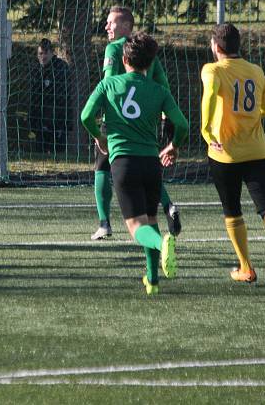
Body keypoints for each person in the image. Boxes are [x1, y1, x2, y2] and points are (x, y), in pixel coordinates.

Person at [81, 32, 189, 295]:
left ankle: (163, 244)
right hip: (151, 163)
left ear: (124, 59)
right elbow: (183, 125)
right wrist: (173, 146)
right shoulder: (159, 91)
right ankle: (152, 280)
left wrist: (100, 137)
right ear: (149, 63)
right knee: (150, 218)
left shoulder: (108, 85)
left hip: (124, 163)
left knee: (136, 227)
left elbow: (86, 116)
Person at [201, 23, 265, 292]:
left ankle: (246, 267)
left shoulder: (213, 69)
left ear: (216, 47)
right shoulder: (256, 71)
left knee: (232, 211)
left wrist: (206, 131)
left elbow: (209, 95)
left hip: (224, 153)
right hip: (257, 151)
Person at [91, 6, 183, 251]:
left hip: (117, 126)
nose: (107, 27)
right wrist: (167, 122)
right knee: (147, 174)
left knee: (102, 168)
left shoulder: (115, 48)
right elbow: (164, 86)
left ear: (126, 26)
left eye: (111, 23)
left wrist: (99, 131)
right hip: (145, 127)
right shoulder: (148, 53)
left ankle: (104, 223)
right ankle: (168, 207)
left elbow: (108, 82)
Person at [28, 38, 70, 153]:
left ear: (52, 53)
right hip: (39, 118)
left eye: (46, 53)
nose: (43, 56)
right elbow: (33, 97)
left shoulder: (61, 68)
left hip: (57, 119)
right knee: (39, 151)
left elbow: (62, 97)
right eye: (40, 53)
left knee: (57, 152)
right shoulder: (36, 69)